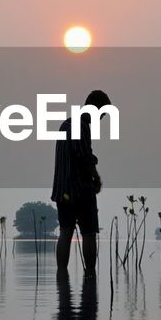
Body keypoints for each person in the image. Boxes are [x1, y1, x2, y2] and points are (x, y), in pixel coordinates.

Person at [51, 88, 109, 272]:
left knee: (65, 232)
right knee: (89, 232)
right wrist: (97, 178)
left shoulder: (66, 124)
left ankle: (62, 276)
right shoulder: (81, 126)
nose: (101, 119)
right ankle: (90, 275)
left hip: (62, 191)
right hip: (79, 190)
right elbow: (83, 157)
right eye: (103, 114)